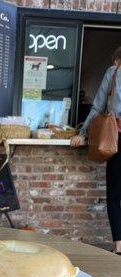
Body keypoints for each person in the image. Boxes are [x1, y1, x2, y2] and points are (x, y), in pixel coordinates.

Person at [71, 47, 121, 254]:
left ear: (117, 59)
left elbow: (98, 106)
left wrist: (83, 133)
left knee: (114, 194)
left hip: (118, 139)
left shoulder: (114, 72)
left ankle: (119, 246)